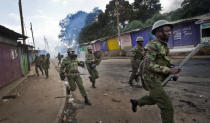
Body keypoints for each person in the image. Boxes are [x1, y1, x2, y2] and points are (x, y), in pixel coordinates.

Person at [130, 20, 181, 123]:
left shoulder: (164, 45)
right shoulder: (152, 46)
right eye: (166, 31)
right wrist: (169, 70)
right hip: (151, 79)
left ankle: (137, 102)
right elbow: (149, 65)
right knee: (167, 107)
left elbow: (162, 61)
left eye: (169, 30)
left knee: (154, 98)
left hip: (158, 77)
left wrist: (170, 68)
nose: (169, 33)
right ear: (158, 32)